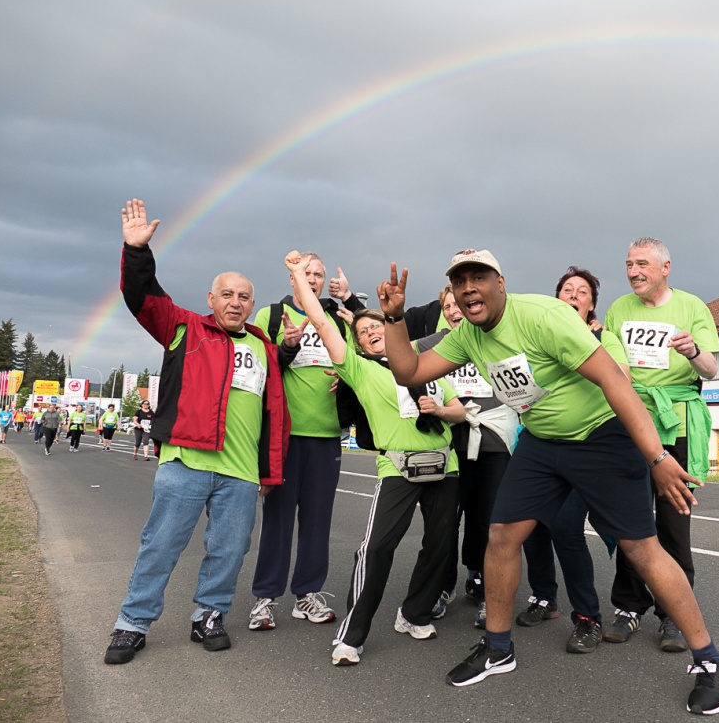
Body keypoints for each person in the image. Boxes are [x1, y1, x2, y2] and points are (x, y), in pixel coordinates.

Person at [377, 250, 719, 715]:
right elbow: (408, 371)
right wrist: (394, 317)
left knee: (641, 549)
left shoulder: (544, 317)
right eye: (459, 281)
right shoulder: (468, 335)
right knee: (502, 536)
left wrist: (657, 457)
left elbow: (615, 381)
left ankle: (711, 662)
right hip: (543, 442)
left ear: (500, 282)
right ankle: (498, 648)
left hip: (601, 436)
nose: (468, 288)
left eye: (478, 277)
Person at [103, 198, 289, 666]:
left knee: (228, 550)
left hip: (242, 473)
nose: (236, 302)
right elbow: (140, 297)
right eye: (226, 294)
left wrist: (269, 472)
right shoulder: (184, 328)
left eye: (244, 296)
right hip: (185, 463)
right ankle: (133, 623)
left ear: (252, 303)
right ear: (211, 299)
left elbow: (273, 411)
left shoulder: (265, 348)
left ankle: (209, 615)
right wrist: (136, 251)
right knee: (160, 545)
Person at [281, 251, 465, 667]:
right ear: (359, 343)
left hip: (445, 465)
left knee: (439, 548)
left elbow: (459, 410)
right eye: (363, 332)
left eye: (376, 326)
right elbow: (325, 323)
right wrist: (297, 277)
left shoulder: (425, 363)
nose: (370, 333)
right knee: (376, 548)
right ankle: (352, 635)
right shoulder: (360, 371)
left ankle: (413, 613)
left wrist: (440, 411)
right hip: (398, 467)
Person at [602, 238, 719, 654]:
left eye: (642, 264)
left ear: (665, 267)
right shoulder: (618, 309)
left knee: (674, 523)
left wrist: (693, 351)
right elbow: (611, 363)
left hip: (677, 424)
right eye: (629, 264)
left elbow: (712, 368)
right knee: (631, 522)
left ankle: (672, 614)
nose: (634, 271)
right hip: (633, 421)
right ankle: (628, 607)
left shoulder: (692, 306)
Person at [246, 254, 362, 632]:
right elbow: (259, 370)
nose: (312, 279)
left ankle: (307, 595)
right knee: (277, 519)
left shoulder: (334, 320)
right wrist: (288, 347)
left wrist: (346, 379)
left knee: (317, 520)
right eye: (306, 273)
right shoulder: (270, 314)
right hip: (283, 435)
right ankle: (265, 597)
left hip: (327, 435)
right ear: (293, 276)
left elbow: (360, 364)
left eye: (318, 275)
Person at [517, 266, 629, 654]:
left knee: (565, 526)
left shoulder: (603, 338)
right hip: (541, 444)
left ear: (591, 306)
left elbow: (623, 377)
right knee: (529, 525)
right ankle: (544, 598)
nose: (574, 294)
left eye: (583, 292)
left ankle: (587, 618)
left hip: (589, 446)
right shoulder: (536, 340)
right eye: (567, 289)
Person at [416, 286, 519, 629]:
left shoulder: (497, 338)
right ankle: (441, 586)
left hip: (494, 443)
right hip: (450, 444)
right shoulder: (437, 344)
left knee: (490, 522)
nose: (456, 311)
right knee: (444, 521)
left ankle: (484, 586)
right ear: (445, 310)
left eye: (459, 304)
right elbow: (394, 358)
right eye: (448, 306)